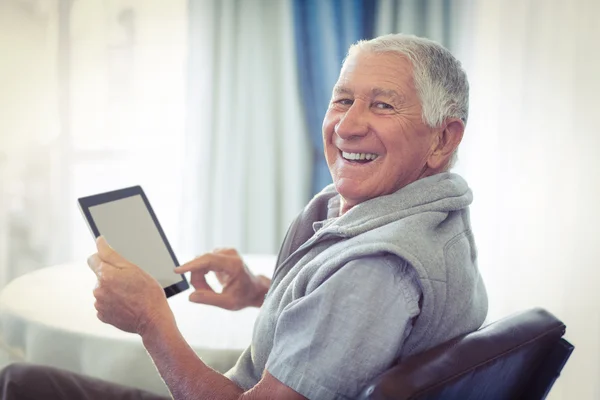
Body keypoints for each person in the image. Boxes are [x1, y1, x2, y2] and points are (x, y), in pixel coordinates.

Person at [0, 33, 488, 400]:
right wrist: (259, 290)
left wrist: (152, 322)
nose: (348, 125)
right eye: (342, 99)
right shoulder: (435, 215)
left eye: (382, 105)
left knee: (21, 383)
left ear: (442, 139)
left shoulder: (378, 269)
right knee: (21, 381)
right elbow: (347, 320)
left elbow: (356, 296)